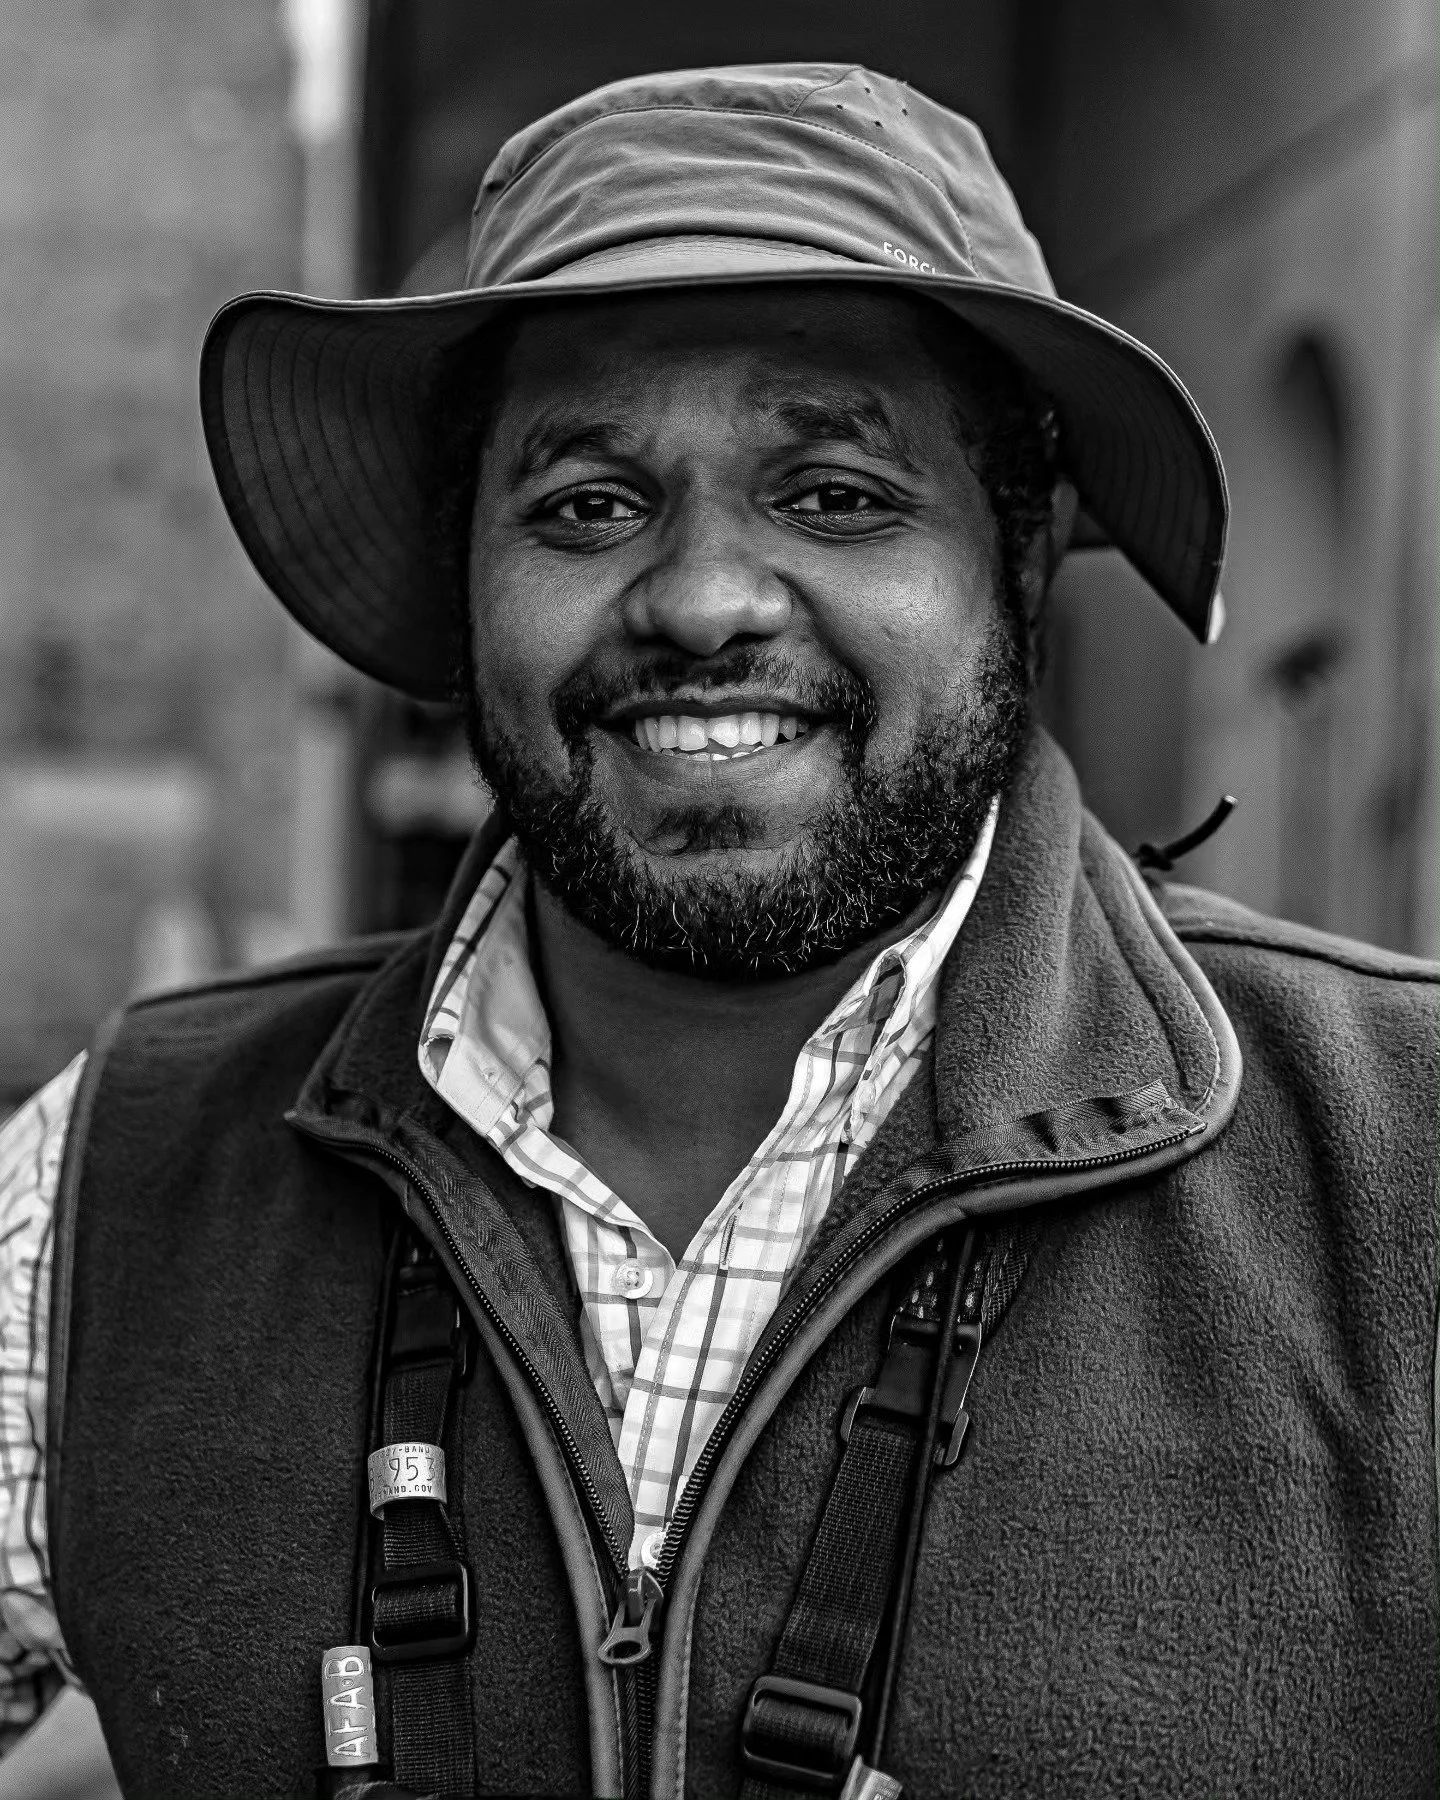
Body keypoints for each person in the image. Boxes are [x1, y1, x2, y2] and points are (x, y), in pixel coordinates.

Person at [0, 62, 1433, 1800]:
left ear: (1023, 556)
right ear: (467, 578)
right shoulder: (114, 1180)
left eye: (834, 495)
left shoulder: (1399, 1170)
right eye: (588, 506)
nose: (697, 598)